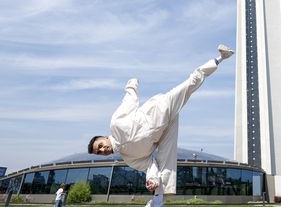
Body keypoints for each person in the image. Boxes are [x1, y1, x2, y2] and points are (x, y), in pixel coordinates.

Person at [88, 44, 234, 207]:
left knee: (191, 83)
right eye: (99, 153)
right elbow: (150, 165)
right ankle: (158, 199)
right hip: (164, 133)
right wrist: (152, 179)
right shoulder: (130, 158)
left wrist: (132, 83)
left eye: (100, 146)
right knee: (165, 159)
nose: (102, 150)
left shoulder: (116, 122)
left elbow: (129, 100)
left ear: (105, 138)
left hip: (161, 108)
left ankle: (221, 57)